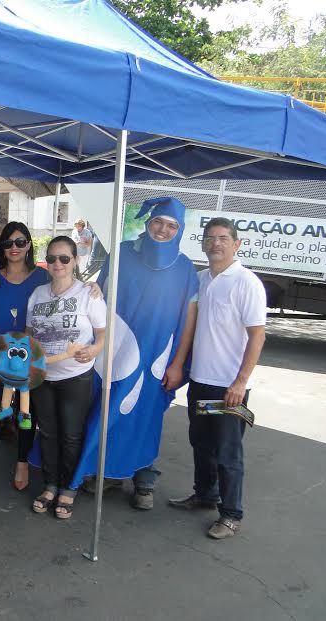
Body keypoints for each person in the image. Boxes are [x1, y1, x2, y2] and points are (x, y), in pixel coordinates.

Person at [72, 197, 198, 510]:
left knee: (146, 416)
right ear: (148, 222)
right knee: (107, 409)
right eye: (159, 222)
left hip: (158, 358)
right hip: (115, 352)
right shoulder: (123, 254)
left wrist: (179, 363)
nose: (163, 229)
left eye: (172, 226)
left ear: (179, 231)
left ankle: (144, 479)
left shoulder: (185, 268)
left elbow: (188, 321)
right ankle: (106, 472)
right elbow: (98, 299)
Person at [168, 217, 266, 540]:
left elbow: (257, 337)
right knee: (201, 443)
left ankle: (231, 514)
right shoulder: (201, 280)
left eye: (223, 238)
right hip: (201, 381)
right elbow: (190, 328)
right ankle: (205, 495)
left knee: (228, 452)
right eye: (210, 238)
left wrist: (240, 382)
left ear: (236, 244)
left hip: (229, 387)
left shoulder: (246, 283)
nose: (216, 243)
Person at [27, 236, 106, 519]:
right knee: (47, 432)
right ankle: (50, 484)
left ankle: (68, 488)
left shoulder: (89, 293)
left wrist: (95, 349)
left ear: (75, 261)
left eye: (64, 258)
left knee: (71, 435)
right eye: (51, 258)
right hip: (43, 377)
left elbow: (102, 333)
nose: (57, 264)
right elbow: (29, 334)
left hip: (76, 375)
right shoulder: (37, 294)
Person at [0, 222, 49, 493]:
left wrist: (92, 289)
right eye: (8, 243)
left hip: (30, 356)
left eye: (20, 242)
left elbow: (65, 292)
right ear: (1, 247)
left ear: (29, 244)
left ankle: (22, 462)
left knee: (26, 411)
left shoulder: (42, 278)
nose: (14, 248)